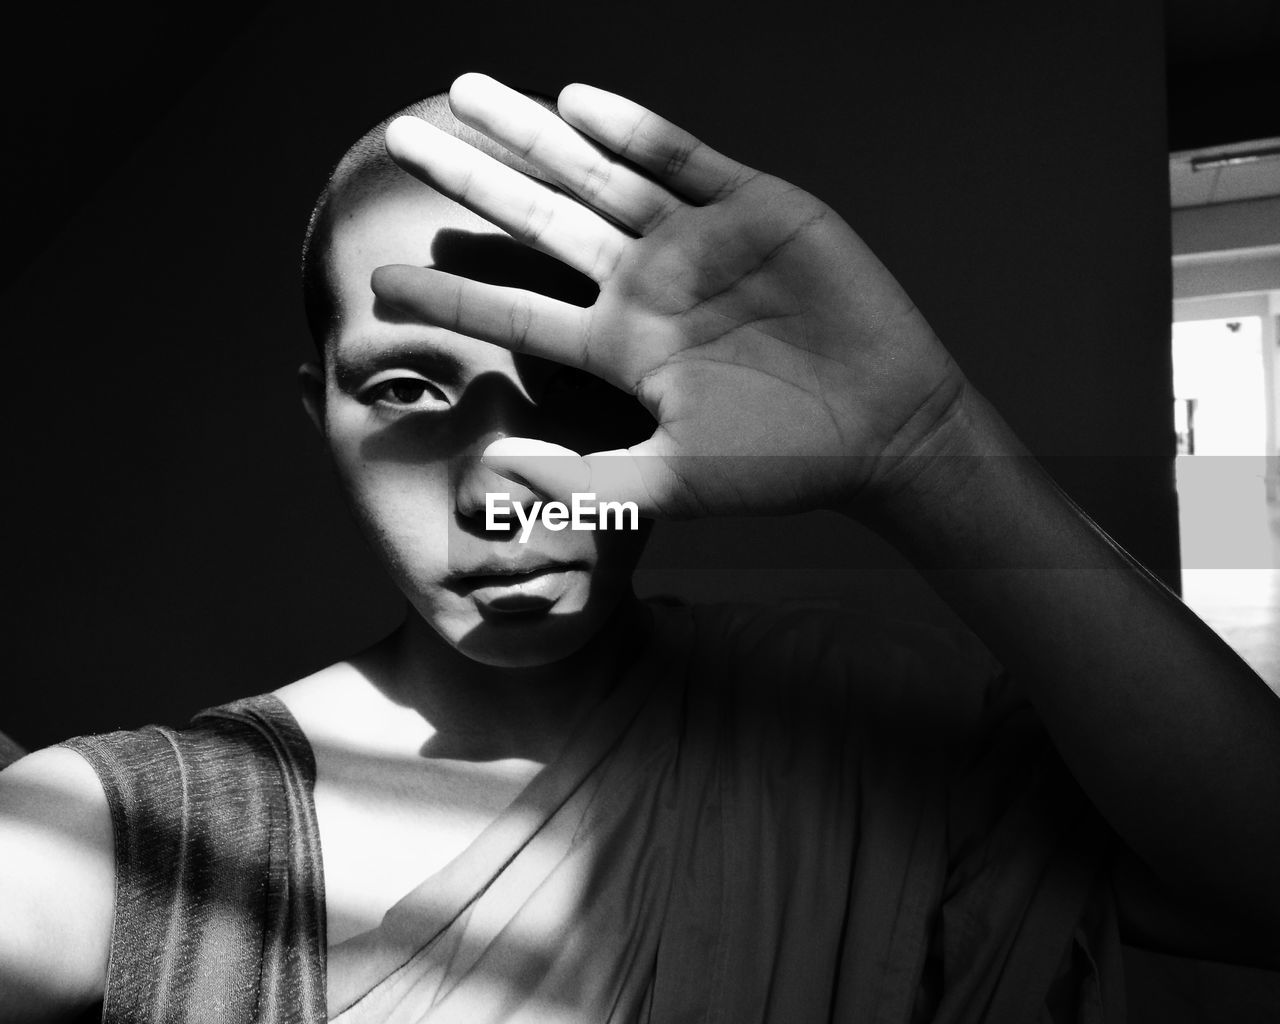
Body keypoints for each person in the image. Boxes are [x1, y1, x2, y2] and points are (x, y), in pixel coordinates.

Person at [1, 73, 1277, 1024]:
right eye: (405, 389)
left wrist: (927, 446)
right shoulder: (136, 829)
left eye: (568, 379)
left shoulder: (858, 731)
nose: (509, 488)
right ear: (316, 413)